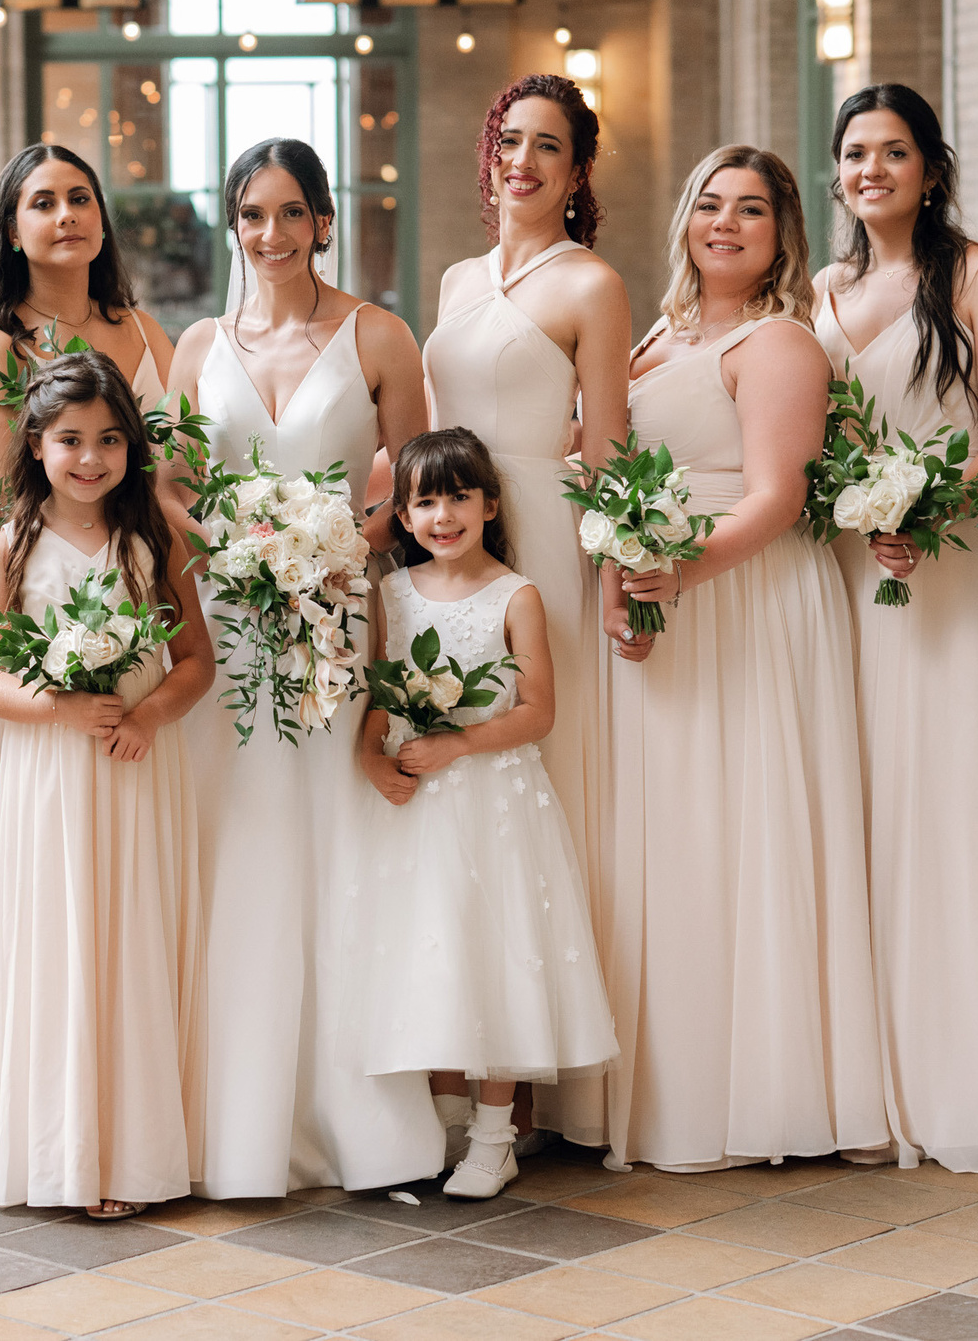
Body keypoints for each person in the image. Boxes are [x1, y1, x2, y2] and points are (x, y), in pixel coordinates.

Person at [163, 138, 442, 1198]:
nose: (269, 235)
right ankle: (235, 1113)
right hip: (230, 620)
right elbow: (176, 486)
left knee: (335, 838)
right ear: (232, 225)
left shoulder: (379, 335)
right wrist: (239, 552)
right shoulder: (198, 345)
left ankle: (350, 1111)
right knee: (240, 838)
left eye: (289, 213)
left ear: (324, 220)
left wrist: (334, 553)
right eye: (250, 214)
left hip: (335, 608)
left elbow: (410, 484)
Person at [603, 148, 889, 1171]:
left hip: (748, 598)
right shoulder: (657, 333)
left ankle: (763, 1091)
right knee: (676, 841)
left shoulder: (780, 343)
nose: (725, 224)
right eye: (709, 204)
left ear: (783, 234)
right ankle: (679, 1075)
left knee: (742, 829)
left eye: (751, 211)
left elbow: (773, 493)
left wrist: (684, 572)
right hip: (666, 595)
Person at [810, 84, 978, 1172]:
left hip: (950, 569)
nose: (870, 170)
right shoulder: (815, 290)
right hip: (845, 578)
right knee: (858, 811)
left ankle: (960, 1078)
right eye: (854, 154)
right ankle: (863, 1080)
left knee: (948, 806)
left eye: (892, 152)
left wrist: (923, 502)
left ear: (931, 171)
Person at [424, 75, 632, 1150]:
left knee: (540, 784)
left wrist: (616, 579)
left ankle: (543, 1076)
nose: (523, 162)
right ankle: (460, 1055)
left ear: (578, 170)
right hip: (447, 537)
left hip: (542, 536)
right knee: (454, 785)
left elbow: (604, 452)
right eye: (509, 139)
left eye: (548, 146)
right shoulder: (460, 277)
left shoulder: (590, 285)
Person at [0, 352, 212, 1217]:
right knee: (59, 939)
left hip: (136, 770)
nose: (90, 458)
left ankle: (133, 1155)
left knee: (129, 935)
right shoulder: (10, 547)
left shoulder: (154, 540)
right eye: (70, 439)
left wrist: (146, 717)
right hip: (51, 771)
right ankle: (63, 1156)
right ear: (35, 444)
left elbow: (196, 662)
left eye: (109, 439)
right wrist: (59, 707)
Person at [353, 428, 616, 1200]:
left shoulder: (516, 594)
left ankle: (497, 1134)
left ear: (489, 504)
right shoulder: (388, 595)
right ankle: (443, 1124)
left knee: (496, 954)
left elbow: (538, 711)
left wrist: (459, 742)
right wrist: (375, 756)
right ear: (401, 515)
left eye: (458, 496)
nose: (443, 514)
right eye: (425, 500)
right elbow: (375, 699)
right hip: (416, 807)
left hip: (494, 799)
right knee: (432, 954)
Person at [0, 144, 176, 471]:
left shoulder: (144, 329)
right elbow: (11, 498)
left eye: (79, 199)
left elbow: (188, 465)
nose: (67, 215)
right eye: (44, 204)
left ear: (101, 220)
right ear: (13, 233)